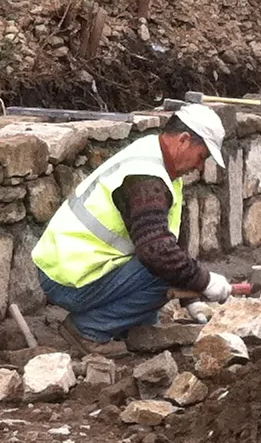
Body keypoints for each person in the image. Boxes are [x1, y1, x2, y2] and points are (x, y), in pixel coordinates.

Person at [31, 103, 235, 342]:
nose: (200, 167)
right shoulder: (146, 178)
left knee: (168, 267)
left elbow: (169, 236)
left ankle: (133, 327)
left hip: (70, 269)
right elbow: (158, 252)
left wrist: (192, 297)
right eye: (202, 157)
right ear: (184, 140)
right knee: (162, 271)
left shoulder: (153, 155)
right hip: (69, 280)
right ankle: (89, 329)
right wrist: (205, 281)